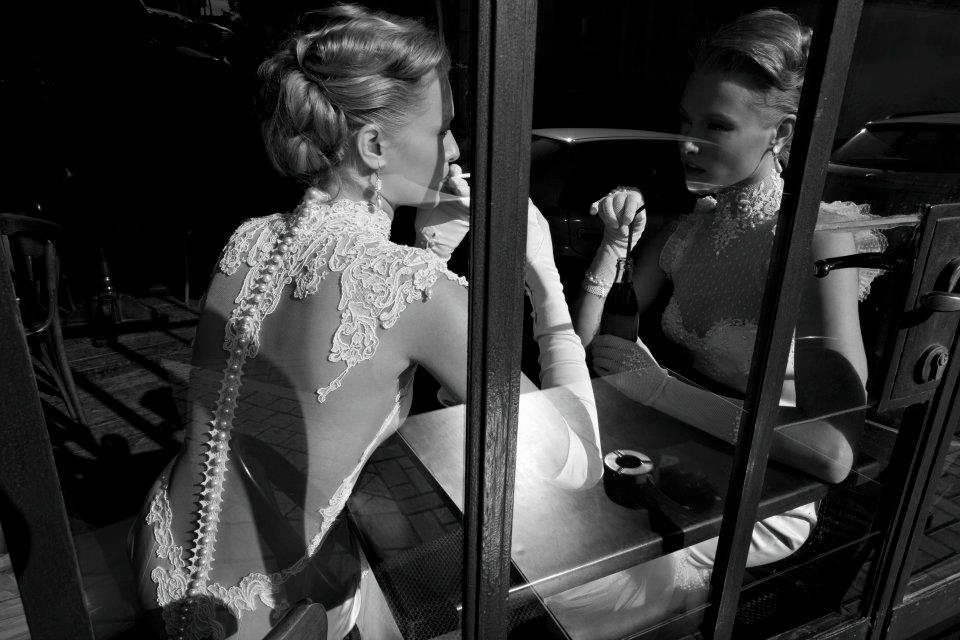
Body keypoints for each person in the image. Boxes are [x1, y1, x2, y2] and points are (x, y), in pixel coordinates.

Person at [129, 5, 602, 639]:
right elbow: (575, 466)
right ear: (374, 146)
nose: (454, 150)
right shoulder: (419, 293)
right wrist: (542, 276)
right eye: (443, 130)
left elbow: (338, 375)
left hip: (160, 549)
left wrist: (428, 250)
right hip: (262, 617)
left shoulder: (249, 239)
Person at [548, 9, 885, 638]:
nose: (688, 143)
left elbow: (833, 452)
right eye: (684, 122)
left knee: (579, 602)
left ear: (781, 135)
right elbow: (593, 346)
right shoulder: (692, 225)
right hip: (682, 460)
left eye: (716, 126)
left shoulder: (815, 238)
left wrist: (662, 390)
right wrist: (614, 246)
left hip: (769, 492)